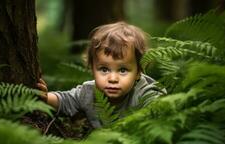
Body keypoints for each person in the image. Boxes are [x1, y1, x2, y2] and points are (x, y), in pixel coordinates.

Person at [37, 21, 166, 129]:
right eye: (104, 69)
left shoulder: (146, 94)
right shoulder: (88, 92)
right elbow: (66, 100)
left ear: (138, 72)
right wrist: (45, 97)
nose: (113, 79)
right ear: (92, 69)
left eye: (122, 70)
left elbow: (161, 114)